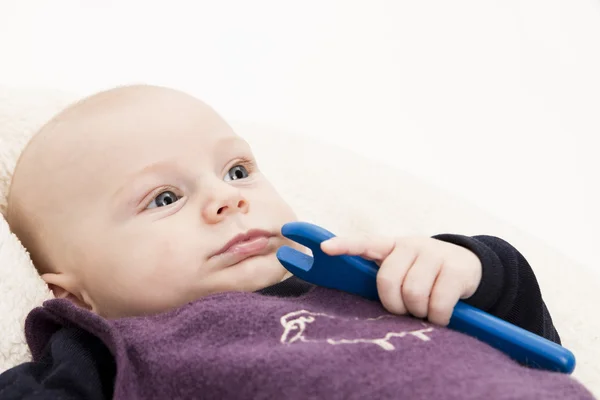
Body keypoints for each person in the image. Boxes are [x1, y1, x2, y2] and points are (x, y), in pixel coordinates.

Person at [0, 85, 593, 399]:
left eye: (236, 171)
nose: (227, 199)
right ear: (77, 299)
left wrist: (469, 269)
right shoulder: (108, 353)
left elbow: (531, 341)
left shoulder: (369, 275)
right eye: (164, 198)